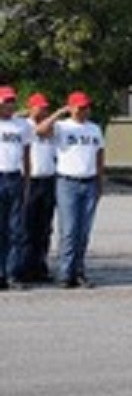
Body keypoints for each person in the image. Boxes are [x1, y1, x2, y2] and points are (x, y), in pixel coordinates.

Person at [36, 91, 104, 289]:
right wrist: (59, 113)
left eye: (87, 107)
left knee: (84, 231)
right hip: (68, 182)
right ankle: (65, 273)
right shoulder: (62, 127)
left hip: (89, 181)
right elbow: (40, 131)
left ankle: (79, 271)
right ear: (72, 108)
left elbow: (99, 155)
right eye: (81, 107)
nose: (85, 111)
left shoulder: (94, 129)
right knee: (69, 230)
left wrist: (100, 181)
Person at [18, 92, 56, 283]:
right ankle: (23, 267)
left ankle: (39, 266)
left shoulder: (52, 128)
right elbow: (39, 129)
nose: (44, 110)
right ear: (31, 107)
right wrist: (59, 112)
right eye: (40, 107)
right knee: (27, 226)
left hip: (48, 180)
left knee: (44, 227)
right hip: (30, 181)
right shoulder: (25, 126)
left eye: (45, 107)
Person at [0, 86, 31, 289]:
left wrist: (27, 180)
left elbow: (26, 155)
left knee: (15, 229)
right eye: (5, 102)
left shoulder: (22, 126)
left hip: (14, 176)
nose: (9, 105)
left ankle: (12, 273)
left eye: (12, 101)